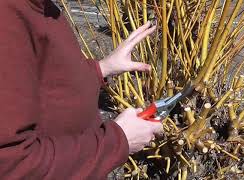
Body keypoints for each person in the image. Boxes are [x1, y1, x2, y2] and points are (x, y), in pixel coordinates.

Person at [0, 0, 162, 179]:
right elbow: (14, 165)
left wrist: (102, 69)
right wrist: (117, 141)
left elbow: (44, 81)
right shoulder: (7, 18)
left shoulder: (41, 8)